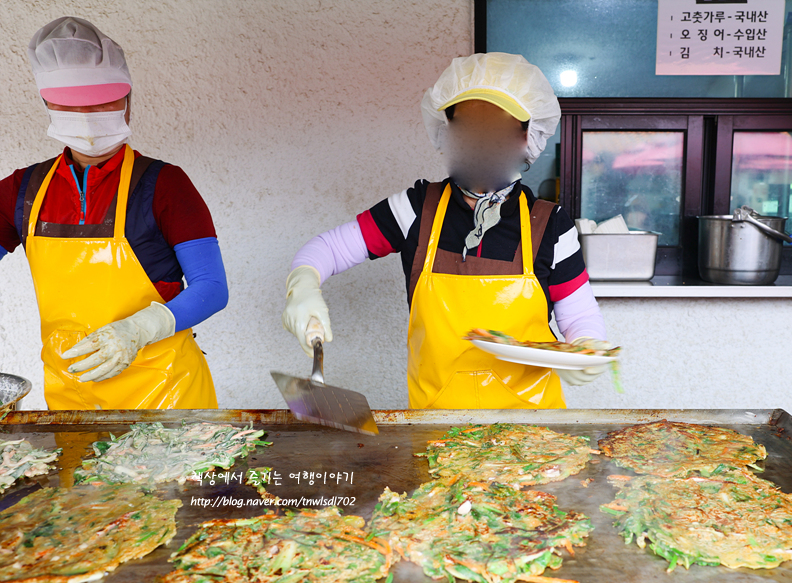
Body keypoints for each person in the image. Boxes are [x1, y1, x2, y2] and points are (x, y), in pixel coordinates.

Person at [283, 52, 610, 410]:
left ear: (527, 137)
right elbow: (327, 249)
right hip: (436, 428)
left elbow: (578, 315)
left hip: (535, 434)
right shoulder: (416, 209)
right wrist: (303, 285)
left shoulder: (550, 224)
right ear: (446, 132)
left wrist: (585, 348)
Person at [0, 17, 227, 410]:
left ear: (128, 99)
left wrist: (138, 330)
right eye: (71, 104)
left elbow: (212, 289)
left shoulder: (166, 185)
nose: (89, 114)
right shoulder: (22, 190)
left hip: (168, 396)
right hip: (72, 400)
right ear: (47, 104)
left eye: (104, 99)